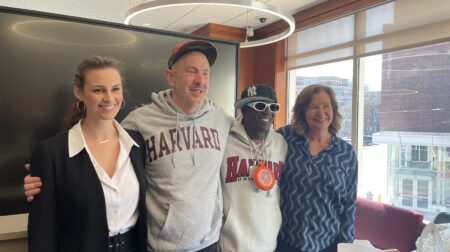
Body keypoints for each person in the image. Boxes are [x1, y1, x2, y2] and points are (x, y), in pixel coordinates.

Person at [25, 40, 233, 252]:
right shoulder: (138, 126)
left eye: (205, 73)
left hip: (206, 242)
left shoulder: (221, 119)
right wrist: (43, 179)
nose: (200, 80)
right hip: (159, 246)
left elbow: (252, 141)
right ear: (170, 77)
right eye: (191, 71)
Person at [27, 56, 147, 252]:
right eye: (98, 90)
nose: (109, 98)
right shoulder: (51, 154)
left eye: (115, 89)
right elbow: (43, 232)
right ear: (79, 92)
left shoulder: (137, 144)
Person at [276, 84, 358, 252]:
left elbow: (349, 203)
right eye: (313, 107)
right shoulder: (286, 138)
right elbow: (259, 140)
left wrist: (346, 245)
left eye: (326, 106)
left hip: (327, 244)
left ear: (333, 110)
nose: (321, 113)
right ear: (302, 112)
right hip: (285, 241)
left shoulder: (346, 153)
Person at [218, 84, 287, 251]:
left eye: (273, 107)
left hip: (268, 244)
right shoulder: (223, 139)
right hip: (230, 245)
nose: (267, 112)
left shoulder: (281, 144)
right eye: (260, 106)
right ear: (244, 110)